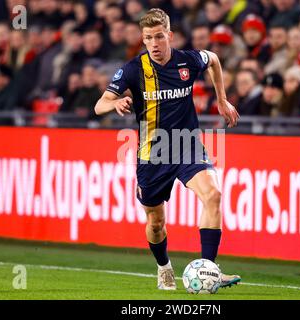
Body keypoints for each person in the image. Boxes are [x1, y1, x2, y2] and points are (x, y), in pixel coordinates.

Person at [94, 8, 241, 291]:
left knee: (213, 194)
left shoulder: (187, 60)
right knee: (156, 221)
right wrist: (114, 104)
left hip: (187, 145)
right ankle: (164, 267)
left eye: (159, 37)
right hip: (153, 155)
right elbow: (99, 104)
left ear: (169, 36)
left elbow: (213, 59)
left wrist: (222, 100)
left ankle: (209, 270)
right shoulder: (133, 70)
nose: (153, 43)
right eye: (148, 38)